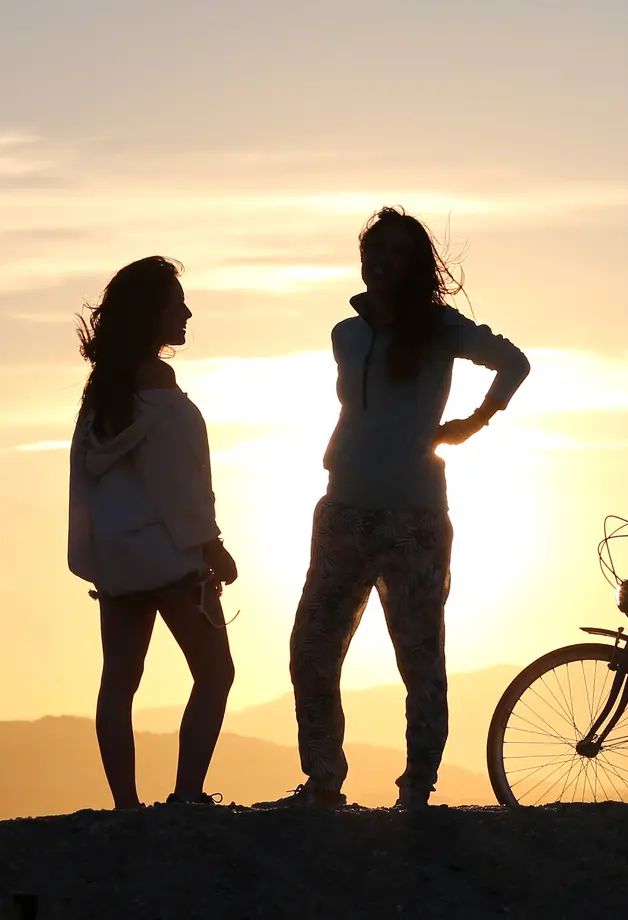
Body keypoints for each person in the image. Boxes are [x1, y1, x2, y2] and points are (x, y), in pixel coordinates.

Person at [281, 209, 529, 809]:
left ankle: (417, 787)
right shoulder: (346, 333)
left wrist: (473, 422)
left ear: (416, 261)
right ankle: (323, 781)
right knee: (311, 650)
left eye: (395, 249)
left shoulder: (441, 328)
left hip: (413, 516)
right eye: (373, 249)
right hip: (343, 508)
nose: (381, 259)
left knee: (419, 657)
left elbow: (513, 361)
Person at [67, 256, 239, 809]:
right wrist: (213, 547)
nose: (187, 312)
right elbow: (180, 483)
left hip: (118, 558)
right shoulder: (160, 392)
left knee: (118, 684)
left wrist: (99, 552)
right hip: (171, 556)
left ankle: (125, 806)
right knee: (215, 673)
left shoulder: (103, 392)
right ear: (152, 316)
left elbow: (85, 482)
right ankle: (186, 794)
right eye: (176, 304)